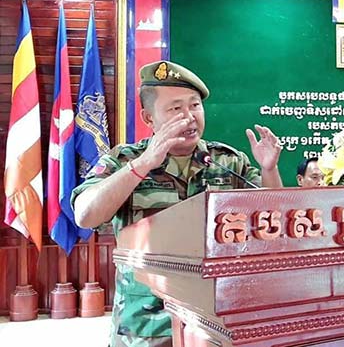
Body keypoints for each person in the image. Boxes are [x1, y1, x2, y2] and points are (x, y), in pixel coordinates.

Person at [72, 60, 283, 347]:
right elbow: (85, 215)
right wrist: (144, 164)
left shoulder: (228, 161)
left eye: (195, 106)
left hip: (215, 322)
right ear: (149, 118)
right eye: (175, 109)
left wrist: (270, 170)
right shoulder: (124, 160)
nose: (189, 116)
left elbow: (273, 219)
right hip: (145, 326)